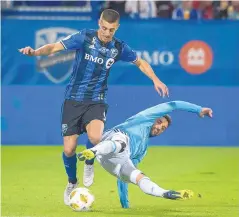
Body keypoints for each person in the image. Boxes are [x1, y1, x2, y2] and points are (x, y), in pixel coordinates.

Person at [18, 9, 169, 205]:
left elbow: (140, 63)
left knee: (96, 137)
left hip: (97, 100)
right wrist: (36, 52)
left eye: (111, 30)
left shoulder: (118, 47)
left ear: (117, 28)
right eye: (104, 28)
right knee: (70, 149)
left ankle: (89, 162)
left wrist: (155, 79)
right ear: (99, 23)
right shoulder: (84, 37)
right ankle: (72, 182)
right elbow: (55, 47)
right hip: (73, 99)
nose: (107, 33)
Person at [77, 101, 213, 207]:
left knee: (137, 176)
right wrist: (198, 109)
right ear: (155, 118)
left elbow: (123, 178)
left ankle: (165, 193)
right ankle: (90, 157)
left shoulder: (142, 149)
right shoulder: (145, 118)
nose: (159, 127)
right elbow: (174, 104)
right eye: (159, 122)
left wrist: (125, 205)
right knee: (121, 141)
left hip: (113, 164)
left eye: (163, 128)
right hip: (109, 141)